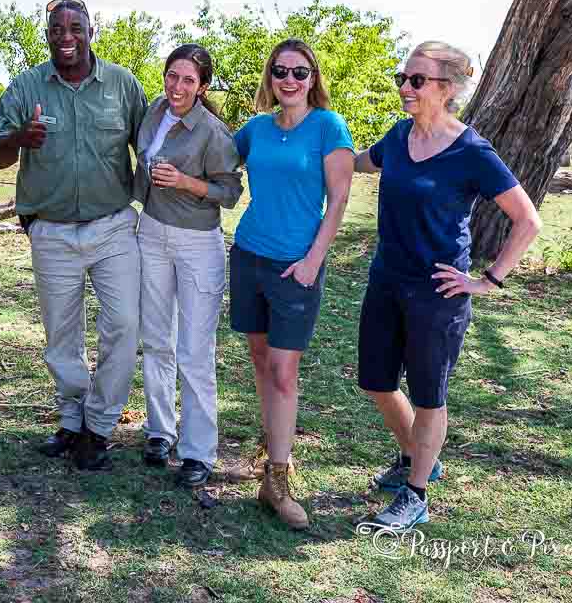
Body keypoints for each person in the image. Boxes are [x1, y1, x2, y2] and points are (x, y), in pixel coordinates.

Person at [354, 41, 541, 533]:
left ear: (449, 89)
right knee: (375, 381)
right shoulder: (398, 137)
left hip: (438, 294)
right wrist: (317, 148)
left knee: (428, 396)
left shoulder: (471, 152)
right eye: (403, 77)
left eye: (417, 80)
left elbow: (527, 221)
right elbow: (358, 162)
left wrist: (488, 281)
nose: (405, 88)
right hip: (386, 279)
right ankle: (419, 456)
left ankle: (416, 493)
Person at [0, 0, 147, 471]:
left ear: (91, 30)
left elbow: (152, 143)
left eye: (76, 26)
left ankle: (100, 425)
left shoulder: (121, 84)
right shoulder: (27, 86)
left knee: (123, 325)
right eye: (57, 28)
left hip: (113, 226)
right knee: (62, 335)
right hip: (52, 231)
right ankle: (72, 419)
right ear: (48, 35)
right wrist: (20, 139)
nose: (66, 36)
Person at [230, 38, 355, 530]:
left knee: (284, 371)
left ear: (313, 79)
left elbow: (340, 199)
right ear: (270, 77)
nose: (289, 80)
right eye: (280, 71)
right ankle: (270, 444)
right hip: (249, 257)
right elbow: (216, 156)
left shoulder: (329, 125)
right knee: (261, 360)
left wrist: (312, 261)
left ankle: (278, 479)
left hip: (295, 268)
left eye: (300, 73)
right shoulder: (257, 128)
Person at [133, 44, 242, 488]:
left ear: (203, 86)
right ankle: (160, 430)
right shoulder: (154, 111)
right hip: (151, 233)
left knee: (195, 351)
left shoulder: (213, 132)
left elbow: (230, 192)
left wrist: (185, 182)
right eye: (172, 76)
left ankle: (198, 452)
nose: (177, 87)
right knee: (157, 339)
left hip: (198, 243)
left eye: (188, 80)